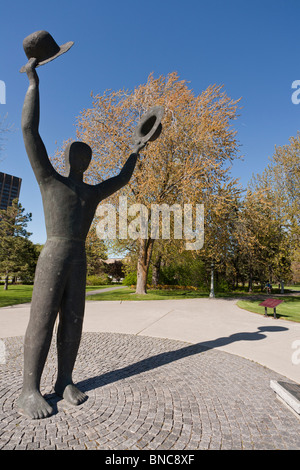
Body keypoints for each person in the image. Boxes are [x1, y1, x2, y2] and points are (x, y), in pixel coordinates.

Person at [17, 58, 144, 419]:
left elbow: (120, 180)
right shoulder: (50, 181)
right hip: (54, 252)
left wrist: (136, 151)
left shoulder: (89, 193)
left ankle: (65, 381)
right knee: (42, 319)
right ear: (69, 156)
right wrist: (32, 83)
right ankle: (29, 390)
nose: (83, 160)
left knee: (73, 320)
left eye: (88, 157)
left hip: (78, 257)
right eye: (79, 154)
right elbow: (29, 131)